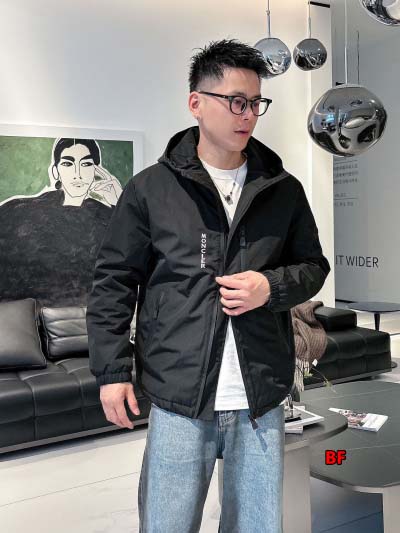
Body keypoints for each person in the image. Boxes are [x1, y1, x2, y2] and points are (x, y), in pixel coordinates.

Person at [86, 39, 331, 533]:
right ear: (196, 102)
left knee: (256, 526)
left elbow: (313, 266)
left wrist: (269, 286)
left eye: (256, 103)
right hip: (179, 393)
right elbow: (114, 281)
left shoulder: (282, 189)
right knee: (168, 524)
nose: (248, 115)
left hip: (260, 395)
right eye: (236, 101)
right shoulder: (151, 189)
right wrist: (111, 371)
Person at [0, 138, 123, 305]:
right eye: (67, 164)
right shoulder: (22, 211)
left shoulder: (108, 216)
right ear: (55, 171)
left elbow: (129, 255)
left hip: (92, 312)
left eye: (86, 164)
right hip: (29, 311)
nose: (78, 174)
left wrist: (118, 202)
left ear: (96, 171)